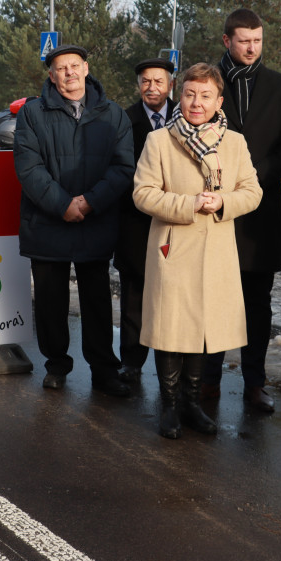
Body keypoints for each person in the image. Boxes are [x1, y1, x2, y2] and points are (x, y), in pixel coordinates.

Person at [133, 63, 261, 438]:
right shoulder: (159, 140)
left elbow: (252, 192)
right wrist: (189, 204)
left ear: (219, 102)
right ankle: (169, 406)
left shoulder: (234, 142)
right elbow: (143, 194)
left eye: (205, 96)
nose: (196, 102)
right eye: (189, 94)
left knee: (202, 330)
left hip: (216, 252)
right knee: (170, 329)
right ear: (180, 95)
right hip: (173, 248)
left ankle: (191, 404)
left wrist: (222, 202)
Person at [13, 44, 135, 397]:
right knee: (50, 301)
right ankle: (56, 364)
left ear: (86, 68)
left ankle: (103, 369)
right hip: (47, 222)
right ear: (51, 76)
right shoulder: (32, 114)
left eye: (74, 65)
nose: (69, 72)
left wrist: (90, 202)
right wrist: (63, 204)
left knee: (97, 301)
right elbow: (29, 168)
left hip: (95, 220)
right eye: (60, 68)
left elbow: (123, 167)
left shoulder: (114, 114)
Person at [206, 8, 281, 411]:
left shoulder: (279, 86)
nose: (251, 48)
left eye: (257, 41)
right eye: (244, 41)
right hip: (213, 208)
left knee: (257, 303)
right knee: (212, 298)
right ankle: (207, 381)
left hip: (261, 209)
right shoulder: (208, 81)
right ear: (227, 40)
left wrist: (252, 177)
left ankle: (255, 382)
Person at [116, 57, 177, 383]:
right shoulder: (125, 120)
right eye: (146, 81)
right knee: (134, 296)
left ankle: (175, 364)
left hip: (178, 221)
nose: (152, 87)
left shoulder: (186, 116)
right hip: (135, 221)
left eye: (158, 81)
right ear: (138, 85)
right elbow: (119, 169)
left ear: (171, 85)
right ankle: (132, 361)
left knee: (175, 295)